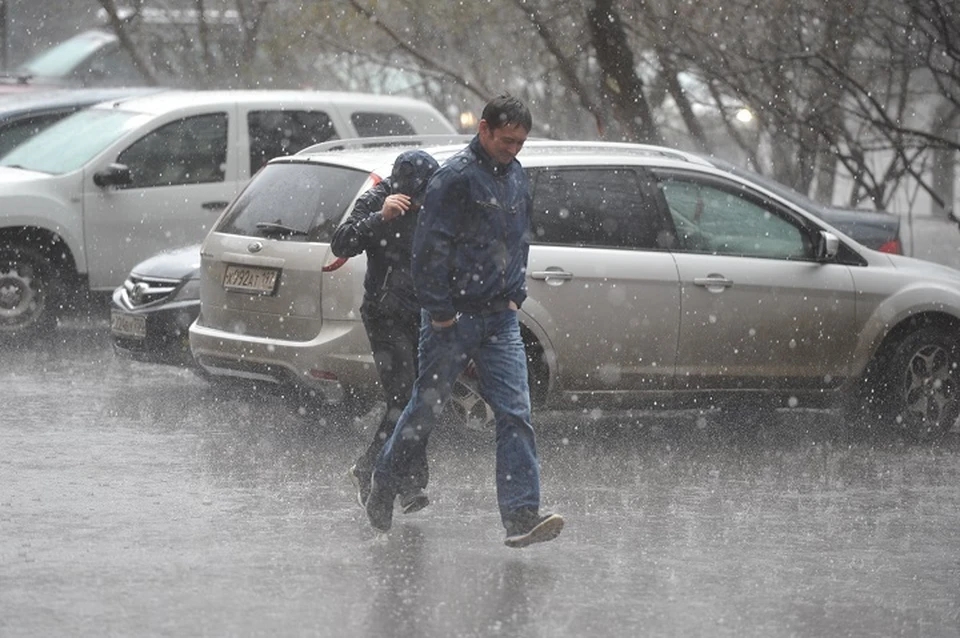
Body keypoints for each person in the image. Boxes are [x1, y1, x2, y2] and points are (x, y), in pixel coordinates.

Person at [366, 95, 564, 548]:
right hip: (451, 320)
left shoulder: (515, 176)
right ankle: (384, 481)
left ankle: (520, 517)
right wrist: (439, 313)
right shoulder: (453, 180)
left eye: (521, 142)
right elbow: (428, 252)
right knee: (424, 410)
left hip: (500, 318)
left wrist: (515, 294)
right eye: (507, 140)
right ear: (484, 130)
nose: (514, 149)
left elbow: (519, 239)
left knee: (516, 414)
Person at [331, 149, 440, 515]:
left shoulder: (438, 199)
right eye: (413, 198)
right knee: (405, 398)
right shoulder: (378, 199)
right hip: (384, 313)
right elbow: (341, 242)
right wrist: (381, 217)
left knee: (420, 399)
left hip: (423, 314)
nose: (418, 204)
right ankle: (396, 480)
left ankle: (386, 475)